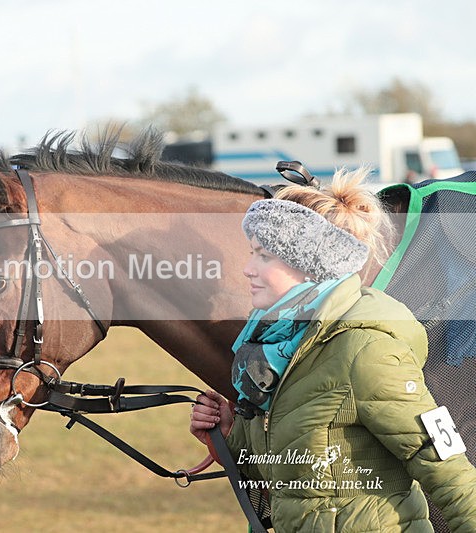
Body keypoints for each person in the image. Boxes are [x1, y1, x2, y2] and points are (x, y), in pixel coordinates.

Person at [189, 167, 476, 532]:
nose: (246, 269)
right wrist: (230, 436)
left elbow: (446, 465)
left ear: (309, 265)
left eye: (263, 256)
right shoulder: (282, 346)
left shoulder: (365, 349)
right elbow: (290, 474)